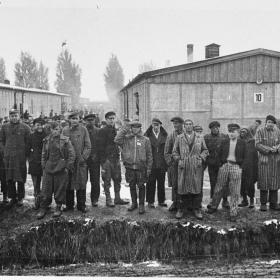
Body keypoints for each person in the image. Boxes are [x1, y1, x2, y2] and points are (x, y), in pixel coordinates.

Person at [207, 123, 246, 221]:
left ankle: (233, 212)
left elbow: (246, 157)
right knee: (219, 187)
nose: (231, 134)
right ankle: (214, 206)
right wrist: (221, 164)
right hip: (224, 166)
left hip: (236, 166)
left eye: (234, 132)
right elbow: (219, 154)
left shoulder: (242, 143)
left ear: (238, 132)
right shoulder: (224, 141)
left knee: (235, 190)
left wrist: (241, 167)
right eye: (230, 132)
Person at [37, 122, 75, 219]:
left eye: (57, 129)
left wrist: (67, 166)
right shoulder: (46, 140)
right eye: (53, 129)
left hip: (61, 168)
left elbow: (72, 155)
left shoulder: (65, 141)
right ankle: (43, 207)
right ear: (50, 130)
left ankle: (58, 207)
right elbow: (43, 154)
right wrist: (44, 165)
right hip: (49, 167)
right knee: (46, 189)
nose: (55, 131)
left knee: (60, 188)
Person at [172, 119, 208, 220]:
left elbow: (205, 150)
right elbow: (174, 151)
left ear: (192, 126)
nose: (188, 126)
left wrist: (201, 158)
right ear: (184, 126)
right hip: (184, 165)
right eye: (186, 124)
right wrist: (179, 159)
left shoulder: (199, 137)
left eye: (190, 124)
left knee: (196, 186)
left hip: (195, 165)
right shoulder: (179, 138)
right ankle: (181, 209)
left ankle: (196, 209)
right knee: (182, 187)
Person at [114, 120, 153, 214]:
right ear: (131, 128)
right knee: (131, 185)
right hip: (130, 167)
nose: (135, 129)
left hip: (141, 167)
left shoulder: (145, 140)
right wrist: (125, 128)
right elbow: (116, 140)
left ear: (140, 128)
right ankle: (134, 203)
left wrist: (148, 168)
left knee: (141, 186)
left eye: (137, 127)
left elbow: (149, 155)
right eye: (133, 127)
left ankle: (141, 205)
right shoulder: (126, 139)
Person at [0, 109, 31, 207]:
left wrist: (24, 153)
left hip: (20, 157)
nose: (14, 118)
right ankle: (12, 197)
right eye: (12, 116)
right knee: (9, 177)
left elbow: (28, 142)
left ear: (19, 116)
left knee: (20, 177)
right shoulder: (4, 127)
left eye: (16, 116)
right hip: (8, 157)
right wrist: (4, 151)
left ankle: (20, 198)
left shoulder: (26, 127)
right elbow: (1, 140)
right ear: (9, 117)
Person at [62, 112, 91, 213]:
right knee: (68, 183)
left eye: (76, 118)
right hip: (69, 161)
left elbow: (88, 146)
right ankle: (69, 205)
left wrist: (83, 157)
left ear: (79, 119)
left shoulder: (83, 130)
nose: (74, 120)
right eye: (72, 118)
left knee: (81, 183)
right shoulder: (65, 130)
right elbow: (62, 145)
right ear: (69, 120)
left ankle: (81, 205)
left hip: (80, 162)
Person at [99, 111, 129, 207]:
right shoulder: (102, 131)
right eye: (110, 118)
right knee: (107, 180)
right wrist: (103, 161)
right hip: (107, 159)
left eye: (113, 118)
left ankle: (117, 198)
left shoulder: (116, 130)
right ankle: (108, 199)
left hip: (116, 158)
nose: (112, 120)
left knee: (117, 179)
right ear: (106, 119)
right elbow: (100, 147)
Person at [255, 115, 280, 211]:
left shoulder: (278, 131)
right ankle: (263, 204)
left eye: (272, 123)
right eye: (269, 122)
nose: (270, 124)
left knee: (275, 182)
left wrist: (277, 148)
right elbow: (257, 144)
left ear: (274, 124)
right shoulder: (260, 131)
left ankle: (274, 203)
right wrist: (269, 149)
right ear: (266, 122)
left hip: (275, 161)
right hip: (264, 161)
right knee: (264, 182)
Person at [204, 121, 229, 207]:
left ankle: (225, 200)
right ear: (210, 129)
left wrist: (224, 161)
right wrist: (208, 161)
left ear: (219, 128)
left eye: (217, 127)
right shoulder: (206, 137)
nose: (215, 129)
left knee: (224, 182)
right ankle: (212, 200)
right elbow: (204, 150)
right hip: (211, 164)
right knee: (213, 182)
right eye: (213, 128)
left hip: (222, 164)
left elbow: (227, 150)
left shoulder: (224, 137)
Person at [144, 118, 168, 208]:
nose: (156, 126)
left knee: (161, 183)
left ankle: (161, 201)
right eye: (154, 124)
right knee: (151, 183)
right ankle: (150, 201)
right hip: (151, 164)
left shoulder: (164, 135)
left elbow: (167, 150)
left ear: (160, 125)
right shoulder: (147, 135)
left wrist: (166, 163)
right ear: (152, 125)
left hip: (161, 163)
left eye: (157, 125)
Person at [164, 116, 184, 212]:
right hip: (175, 165)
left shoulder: (186, 134)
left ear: (181, 124)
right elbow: (167, 151)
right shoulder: (171, 135)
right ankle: (175, 202)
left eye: (177, 123)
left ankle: (184, 203)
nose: (175, 125)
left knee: (185, 183)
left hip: (185, 164)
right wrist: (170, 162)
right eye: (174, 123)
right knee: (175, 184)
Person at [28, 118, 47, 210]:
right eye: (37, 125)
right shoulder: (31, 136)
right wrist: (31, 157)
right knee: (36, 184)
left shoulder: (47, 135)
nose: (40, 127)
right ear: (34, 126)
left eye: (41, 124)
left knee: (45, 184)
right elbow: (27, 149)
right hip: (34, 163)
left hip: (45, 163)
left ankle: (44, 203)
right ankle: (37, 201)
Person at [238, 127, 258, 208]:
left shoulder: (252, 142)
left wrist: (255, 166)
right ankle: (244, 200)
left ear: (248, 132)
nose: (243, 133)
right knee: (241, 184)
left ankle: (252, 201)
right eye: (241, 132)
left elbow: (255, 155)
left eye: (244, 131)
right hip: (241, 166)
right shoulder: (238, 141)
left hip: (250, 166)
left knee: (250, 184)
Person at [84, 113, 101, 207]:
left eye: (92, 120)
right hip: (84, 160)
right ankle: (82, 200)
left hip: (95, 160)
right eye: (88, 120)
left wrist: (96, 155)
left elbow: (101, 145)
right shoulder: (82, 131)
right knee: (83, 180)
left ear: (95, 121)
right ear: (85, 121)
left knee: (95, 180)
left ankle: (95, 199)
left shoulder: (99, 131)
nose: (90, 122)